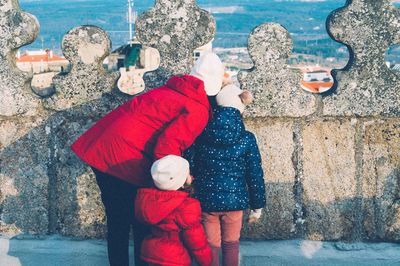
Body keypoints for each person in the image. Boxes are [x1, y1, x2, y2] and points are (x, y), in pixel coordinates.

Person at [70, 53, 225, 266]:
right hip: (124, 159)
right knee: (144, 218)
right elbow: (167, 146)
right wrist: (176, 177)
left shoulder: (172, 90)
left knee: (118, 223)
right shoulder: (197, 109)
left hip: (103, 148)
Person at [188, 84, 267, 266]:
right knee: (231, 244)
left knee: (211, 245)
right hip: (235, 201)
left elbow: (191, 163)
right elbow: (254, 173)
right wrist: (257, 206)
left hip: (207, 200)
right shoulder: (247, 138)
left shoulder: (202, 133)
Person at [135, 155, 212, 266]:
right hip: (176, 258)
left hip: (151, 254)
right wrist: (206, 261)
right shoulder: (186, 206)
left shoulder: (147, 199)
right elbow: (196, 241)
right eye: (188, 173)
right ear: (181, 181)